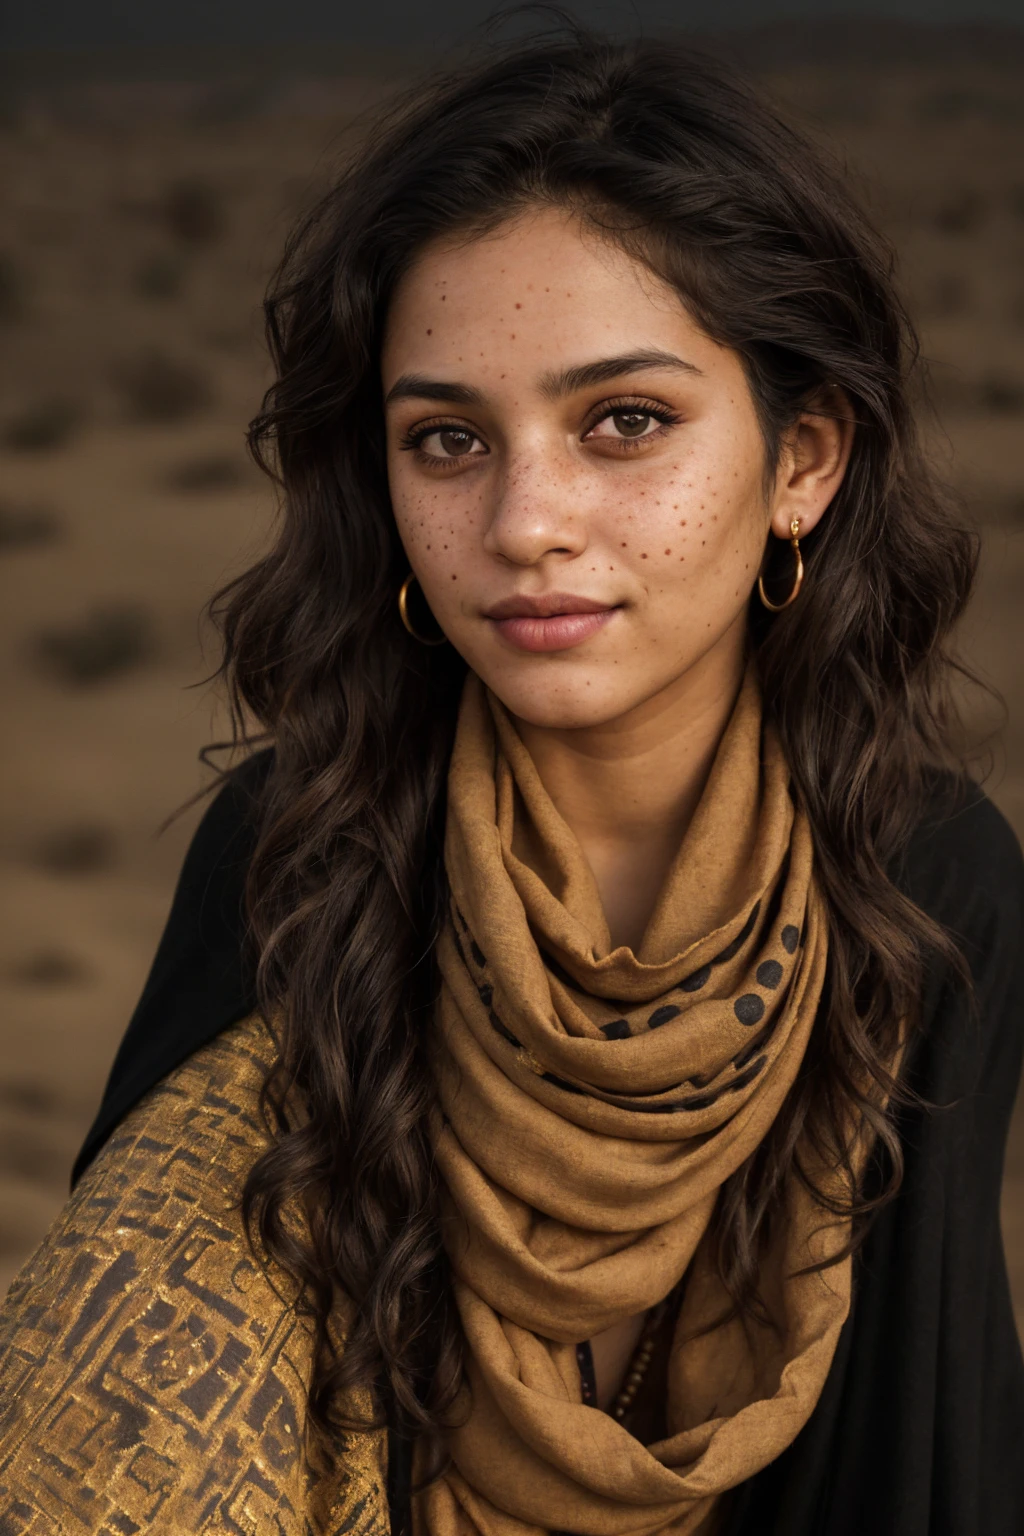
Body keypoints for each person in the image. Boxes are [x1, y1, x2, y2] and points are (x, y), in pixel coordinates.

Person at [1, 22, 1022, 1536]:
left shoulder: (920, 875)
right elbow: (123, 1399)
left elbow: (915, 1446)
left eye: (625, 423)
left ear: (804, 459)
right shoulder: (300, 850)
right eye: (448, 439)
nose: (528, 520)